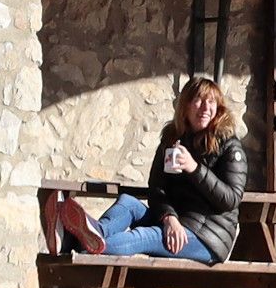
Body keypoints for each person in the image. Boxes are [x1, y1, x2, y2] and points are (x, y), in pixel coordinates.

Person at [42, 75, 250, 262]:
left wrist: (194, 168)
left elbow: (230, 199)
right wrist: (169, 218)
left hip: (208, 238)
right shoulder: (172, 139)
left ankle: (72, 242)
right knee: (129, 203)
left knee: (142, 236)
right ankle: (95, 232)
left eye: (211, 102)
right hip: (175, 224)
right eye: (199, 100)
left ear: (218, 108)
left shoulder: (230, 146)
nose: (205, 108)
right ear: (185, 106)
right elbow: (157, 189)